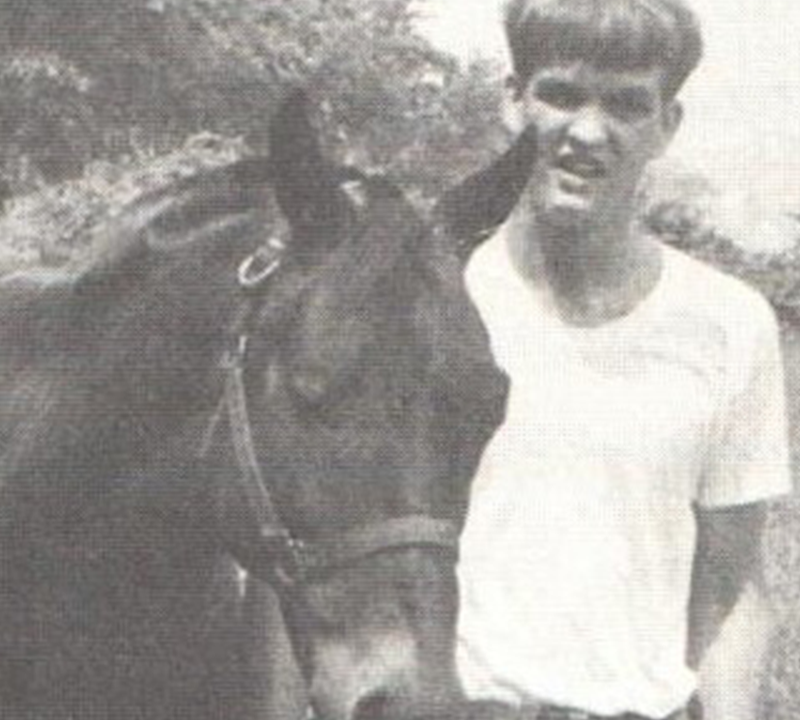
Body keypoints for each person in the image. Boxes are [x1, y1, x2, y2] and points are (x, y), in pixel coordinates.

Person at [452, 2, 792, 720]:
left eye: (627, 104)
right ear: (513, 99)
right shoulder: (433, 301)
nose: (588, 132)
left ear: (668, 124)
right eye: (562, 94)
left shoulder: (728, 324)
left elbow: (729, 591)